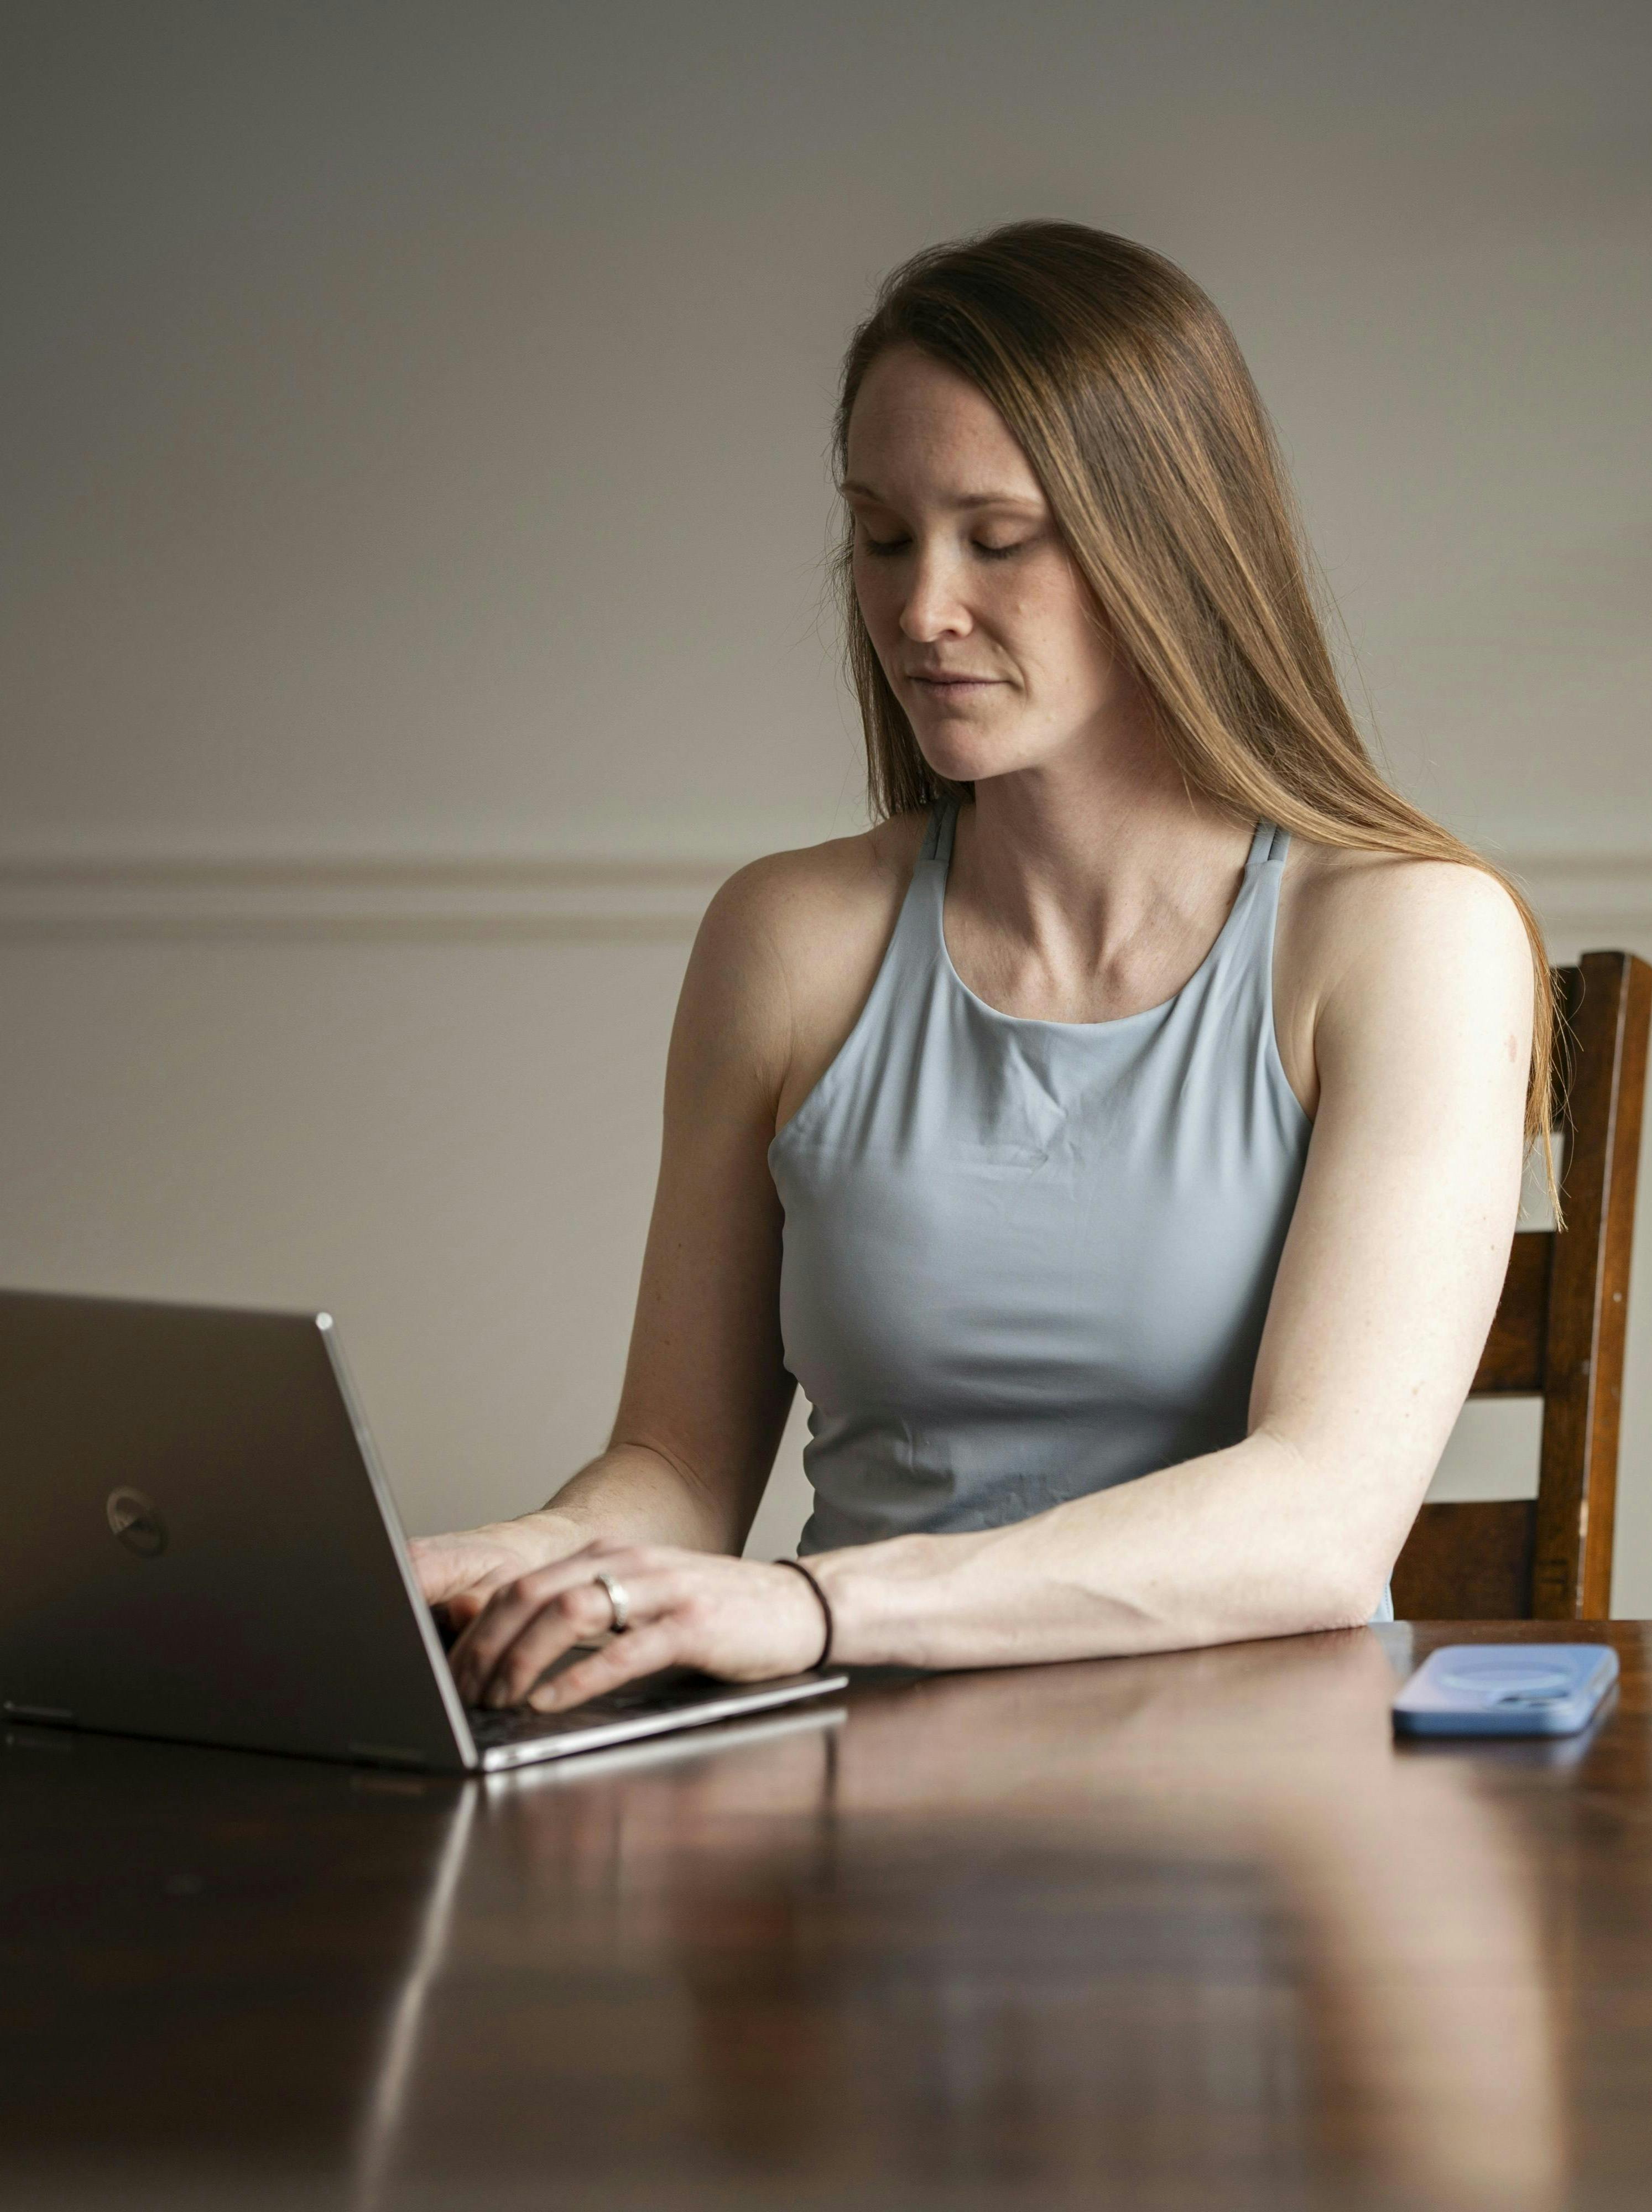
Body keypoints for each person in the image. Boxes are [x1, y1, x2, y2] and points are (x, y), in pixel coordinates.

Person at [414, 221, 1553, 1714]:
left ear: (1169, 549)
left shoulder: (1408, 935)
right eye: (881, 536)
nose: (918, 608)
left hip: (1261, 1819)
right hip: (851, 1803)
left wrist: (815, 1608)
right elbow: (680, 1471)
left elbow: (1320, 1525)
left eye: (995, 539)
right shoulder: (784, 938)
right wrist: (522, 1557)